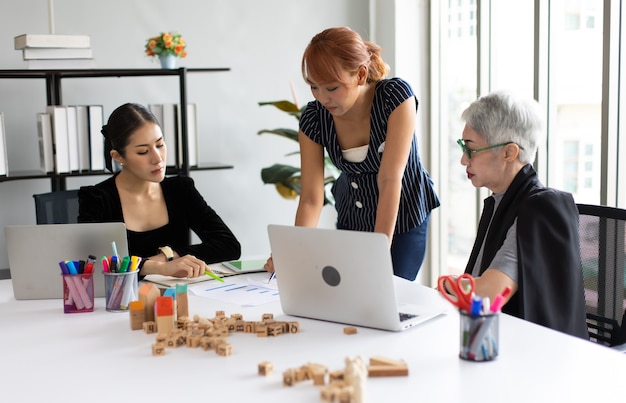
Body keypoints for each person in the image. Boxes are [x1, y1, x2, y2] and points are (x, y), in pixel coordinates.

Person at [266, 26, 440, 281]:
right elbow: (312, 199)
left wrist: (377, 252)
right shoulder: (314, 118)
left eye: (332, 88)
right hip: (353, 217)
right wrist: (293, 254)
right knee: (350, 295)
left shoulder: (395, 98)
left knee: (388, 293)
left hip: (402, 216)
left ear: (360, 74)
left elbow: (390, 180)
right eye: (314, 87)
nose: (322, 97)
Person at [447, 90, 588, 338]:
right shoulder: (499, 202)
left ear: (509, 152)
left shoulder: (541, 208)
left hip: (532, 356)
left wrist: (444, 286)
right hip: (495, 339)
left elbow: (489, 293)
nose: (463, 159)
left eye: (470, 148)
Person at [78, 103, 241, 278]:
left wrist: (168, 256)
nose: (158, 158)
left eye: (160, 144)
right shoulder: (96, 198)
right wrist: (158, 268)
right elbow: (93, 263)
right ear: (118, 157)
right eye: (143, 152)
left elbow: (228, 245)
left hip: (179, 295)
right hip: (124, 300)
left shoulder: (180, 189)